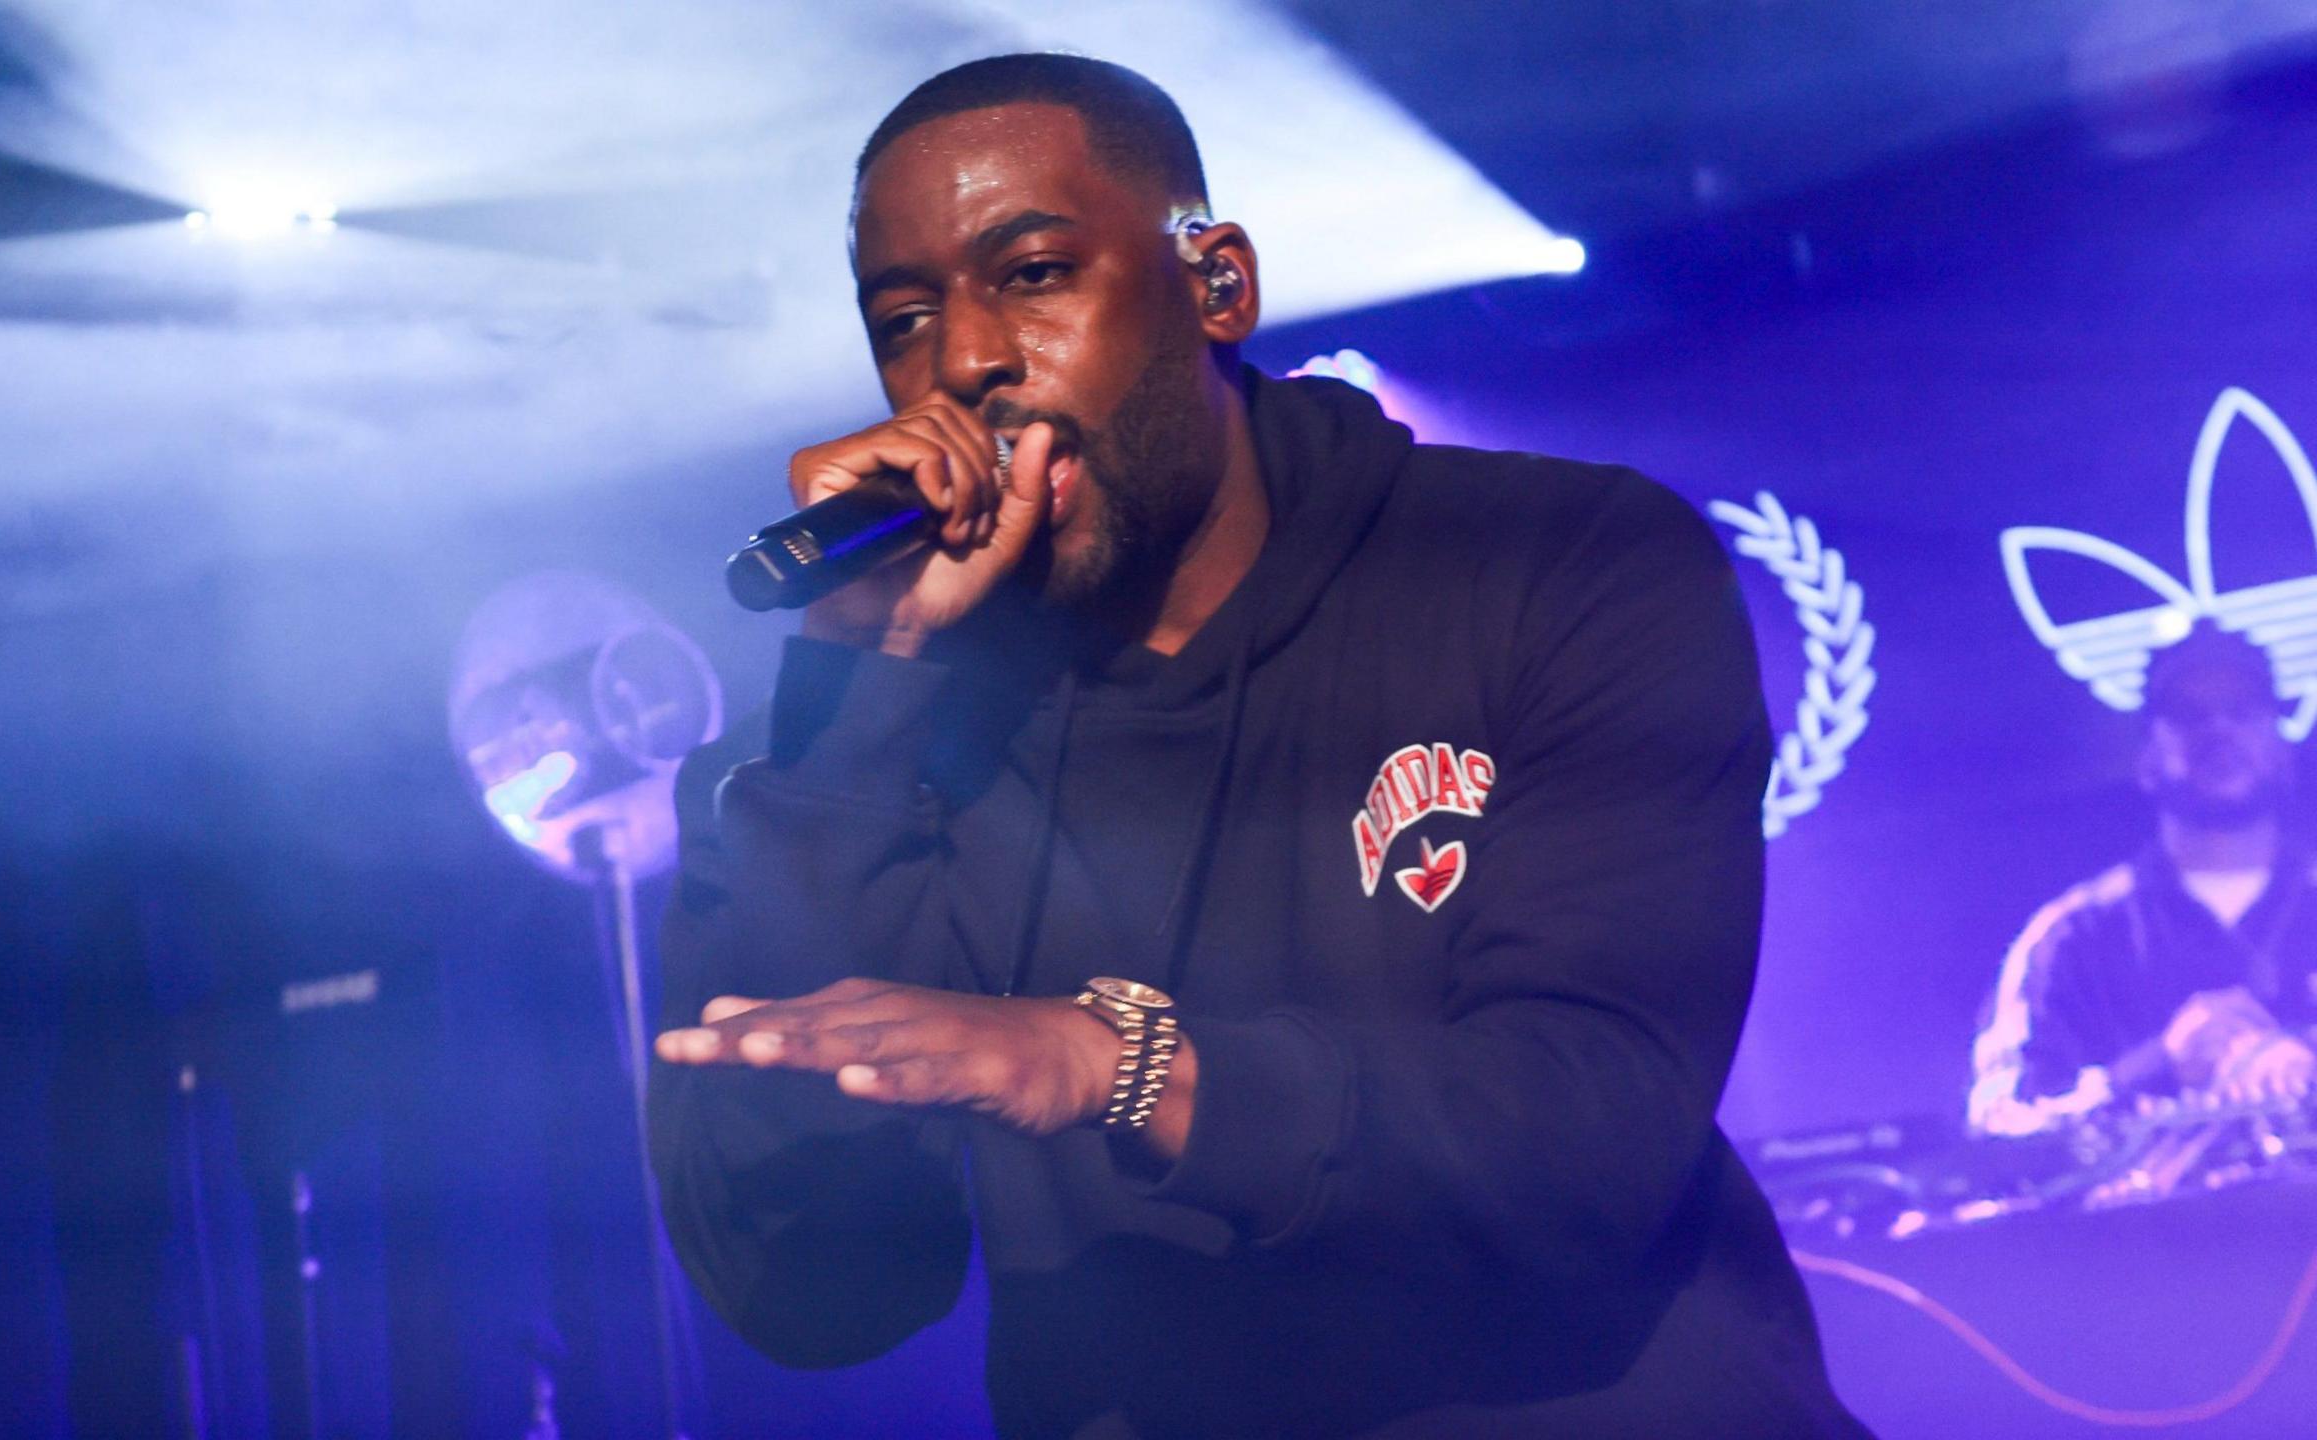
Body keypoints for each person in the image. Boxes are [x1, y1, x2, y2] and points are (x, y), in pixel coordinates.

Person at [647, 53, 1866, 1439]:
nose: (967, 360)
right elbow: (810, 1300)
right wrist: (855, 706)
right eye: (907, 317)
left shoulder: (1556, 562)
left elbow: (1583, 1144)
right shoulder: (835, 761)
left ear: (1217, 285)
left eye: (1034, 273)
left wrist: (1121, 1069)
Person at [1971, 627, 2317, 1138]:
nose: (2218, 728)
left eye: (2242, 709)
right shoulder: (2070, 938)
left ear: (2281, 744)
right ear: (2146, 757)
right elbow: (1995, 1129)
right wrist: (2149, 1068)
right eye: (2188, 714)